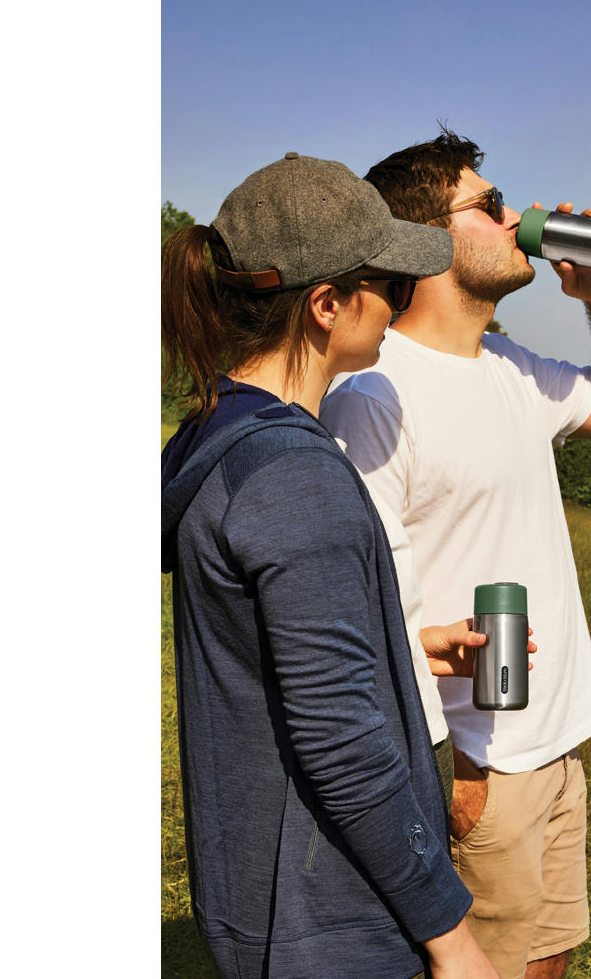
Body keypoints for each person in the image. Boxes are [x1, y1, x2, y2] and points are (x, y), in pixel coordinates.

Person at [319, 131, 591, 979]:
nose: (516, 220)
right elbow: (360, 604)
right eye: (490, 204)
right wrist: (456, 766)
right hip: (479, 760)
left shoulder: (511, 367)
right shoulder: (374, 394)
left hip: (557, 742)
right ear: (426, 240)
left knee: (548, 961)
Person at [161, 152, 501, 979]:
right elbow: (342, 742)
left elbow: (271, 658)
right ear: (326, 305)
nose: (400, 304)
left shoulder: (216, 436)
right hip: (330, 920)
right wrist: (452, 936)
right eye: (391, 285)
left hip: (268, 901)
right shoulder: (296, 476)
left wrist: (395, 648)